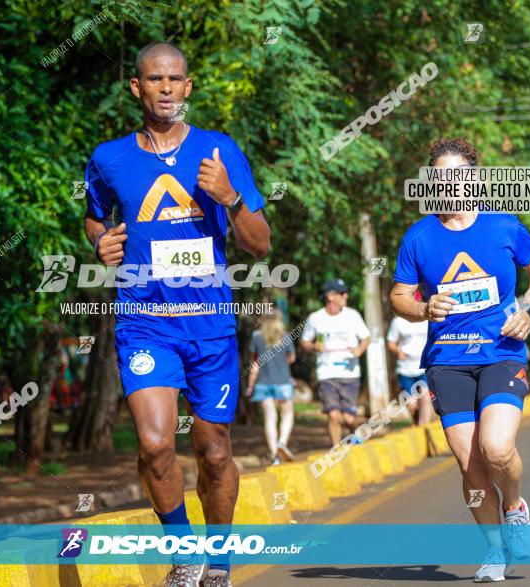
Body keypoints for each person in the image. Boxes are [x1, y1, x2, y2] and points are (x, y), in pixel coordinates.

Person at [83, 42, 270, 587]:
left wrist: (231, 198)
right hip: (146, 324)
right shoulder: (109, 157)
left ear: (188, 88)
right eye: (154, 79)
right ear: (136, 88)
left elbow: (260, 245)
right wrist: (102, 242)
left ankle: (220, 561)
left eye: (175, 79)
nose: (165, 88)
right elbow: (94, 219)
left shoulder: (219, 151)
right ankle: (184, 552)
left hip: (209, 326)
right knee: (156, 444)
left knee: (213, 452)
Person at [390, 137, 530, 582]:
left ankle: (515, 505)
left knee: (496, 449)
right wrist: (423, 308)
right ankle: (495, 552)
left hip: (501, 352)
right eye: (440, 176)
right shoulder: (419, 237)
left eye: (457, 175)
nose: (449, 184)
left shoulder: (503, 226)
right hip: (447, 361)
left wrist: (529, 309)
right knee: (471, 466)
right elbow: (399, 295)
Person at [299, 279, 371, 448]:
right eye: (342, 293)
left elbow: (366, 338)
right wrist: (314, 346)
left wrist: (359, 350)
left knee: (348, 418)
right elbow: (304, 342)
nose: (346, 295)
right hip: (326, 372)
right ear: (330, 296)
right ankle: (336, 450)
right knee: (332, 415)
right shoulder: (316, 318)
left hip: (350, 373)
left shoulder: (352, 315)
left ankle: (355, 434)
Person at [245, 309, 296, 465]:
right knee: (287, 414)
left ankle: (274, 455)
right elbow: (292, 358)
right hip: (283, 382)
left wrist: (250, 386)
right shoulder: (285, 336)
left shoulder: (256, 337)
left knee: (270, 418)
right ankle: (282, 442)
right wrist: (281, 365)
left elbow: (255, 365)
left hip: (262, 384)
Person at [386, 291, 433, 426]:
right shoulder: (398, 322)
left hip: (423, 365)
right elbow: (390, 342)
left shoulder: (427, 320)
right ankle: (417, 422)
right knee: (412, 405)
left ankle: (424, 428)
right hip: (405, 367)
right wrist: (398, 351)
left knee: (425, 398)